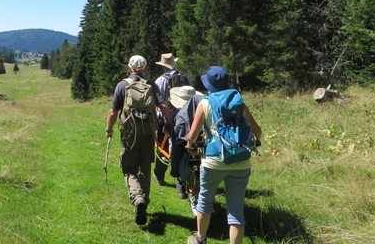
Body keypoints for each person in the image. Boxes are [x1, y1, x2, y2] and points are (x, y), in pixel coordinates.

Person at [186, 66, 262, 244]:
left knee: (204, 201)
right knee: (236, 210)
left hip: (214, 161)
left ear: (210, 85)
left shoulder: (205, 103)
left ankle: (201, 238)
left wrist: (190, 145)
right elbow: (257, 132)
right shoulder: (239, 102)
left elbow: (192, 135)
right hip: (241, 161)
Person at [106, 55, 175, 226]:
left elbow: (113, 112)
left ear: (129, 68)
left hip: (129, 136)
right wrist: (171, 123)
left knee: (129, 169)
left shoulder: (122, 85)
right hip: (148, 135)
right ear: (144, 68)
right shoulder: (150, 85)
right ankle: (144, 199)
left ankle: (138, 199)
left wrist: (109, 129)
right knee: (145, 167)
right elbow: (164, 106)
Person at [153, 53, 194, 191]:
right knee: (182, 148)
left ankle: (159, 175)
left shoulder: (160, 80)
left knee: (162, 148)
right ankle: (181, 181)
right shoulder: (186, 78)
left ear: (163, 67)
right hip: (187, 118)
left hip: (167, 118)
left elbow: (158, 101)